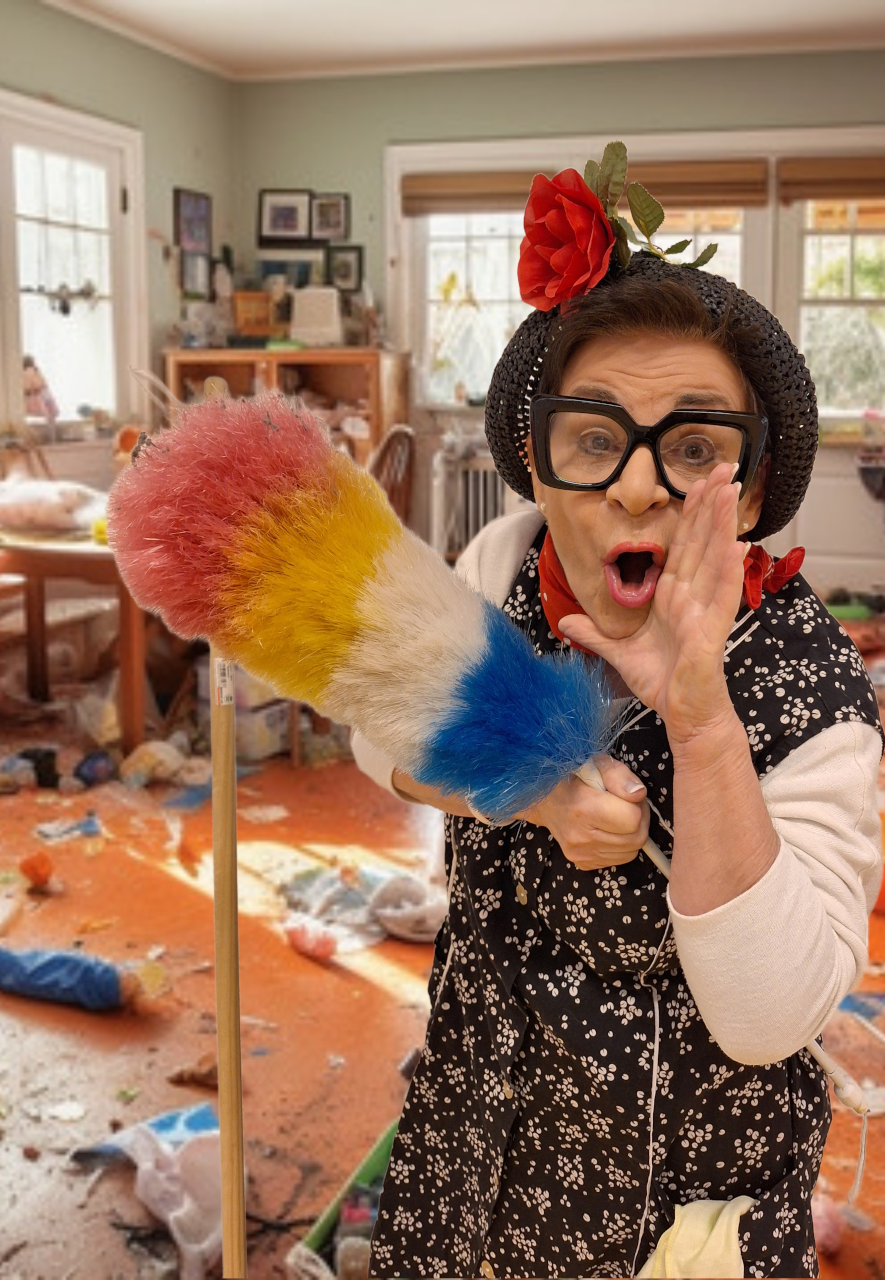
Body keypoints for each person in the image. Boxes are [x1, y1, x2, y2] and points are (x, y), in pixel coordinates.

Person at [352, 152, 883, 1278]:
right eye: (594, 438)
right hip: (468, 1153)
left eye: (692, 449)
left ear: (750, 485)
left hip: (667, 1225)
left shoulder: (812, 685)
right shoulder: (501, 563)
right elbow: (377, 729)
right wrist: (531, 793)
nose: (638, 486)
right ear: (537, 467)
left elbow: (771, 1017)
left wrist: (703, 725)